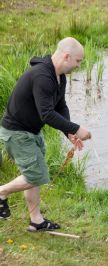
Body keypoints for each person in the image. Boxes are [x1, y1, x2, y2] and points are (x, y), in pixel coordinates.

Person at [0, 37, 91, 232]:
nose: (79, 65)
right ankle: (1, 193)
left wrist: (68, 132)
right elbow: (47, 114)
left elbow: (60, 106)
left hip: (30, 131)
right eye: (78, 61)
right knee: (36, 175)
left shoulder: (59, 76)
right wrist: (76, 128)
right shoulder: (43, 76)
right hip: (17, 133)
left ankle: (36, 220)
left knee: (34, 174)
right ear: (66, 56)